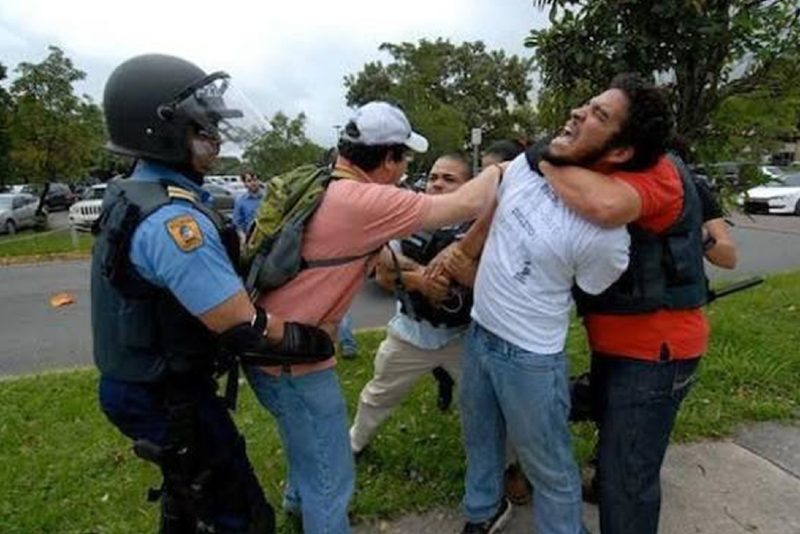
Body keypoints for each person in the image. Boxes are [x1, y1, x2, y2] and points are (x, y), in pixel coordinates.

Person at [92, 54, 334, 534]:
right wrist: (315, 340)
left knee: (189, 491)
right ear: (158, 131)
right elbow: (245, 327)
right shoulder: (175, 223)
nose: (215, 140)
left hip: (138, 380)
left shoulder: (135, 191)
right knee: (238, 511)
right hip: (164, 395)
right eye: (202, 129)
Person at [243, 101, 503, 534]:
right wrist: (504, 168)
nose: (406, 171)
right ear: (388, 159)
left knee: (302, 440)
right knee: (331, 474)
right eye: (404, 160)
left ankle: (295, 504)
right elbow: (465, 204)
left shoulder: (323, 182)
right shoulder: (365, 200)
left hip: (267, 348)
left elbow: (368, 253)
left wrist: (413, 276)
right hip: (296, 358)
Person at [537, 73, 714, 534]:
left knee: (627, 481)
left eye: (599, 114)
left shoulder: (661, 177)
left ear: (621, 150)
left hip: (655, 355)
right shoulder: (609, 162)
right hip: (619, 348)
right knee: (615, 460)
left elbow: (605, 208)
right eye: (588, 104)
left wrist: (545, 157)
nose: (579, 113)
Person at [349, 153, 474, 454]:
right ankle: (353, 447)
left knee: (483, 401)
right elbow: (382, 276)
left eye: (449, 178)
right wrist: (420, 280)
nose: (437, 184)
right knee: (377, 395)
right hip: (410, 332)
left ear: (470, 186)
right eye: (433, 177)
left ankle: (507, 465)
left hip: (463, 337)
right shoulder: (406, 219)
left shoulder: (480, 226)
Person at [233, 171, 264, 241]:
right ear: (245, 184)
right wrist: (242, 238)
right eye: (249, 181)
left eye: (255, 180)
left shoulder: (267, 197)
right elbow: (237, 224)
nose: (253, 183)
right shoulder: (240, 200)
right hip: (251, 238)